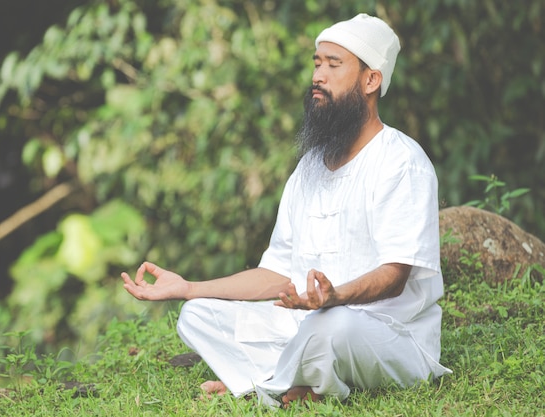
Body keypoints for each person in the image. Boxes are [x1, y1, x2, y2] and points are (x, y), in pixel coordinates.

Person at [122, 13, 451, 408]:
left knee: (332, 327)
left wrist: (335, 297)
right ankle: (290, 381)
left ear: (371, 80)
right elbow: (276, 273)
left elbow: (395, 276)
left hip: (385, 333)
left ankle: (268, 383)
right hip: (307, 324)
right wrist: (189, 288)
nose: (318, 76)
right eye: (316, 63)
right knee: (197, 315)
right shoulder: (309, 167)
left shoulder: (401, 162)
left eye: (333, 64)